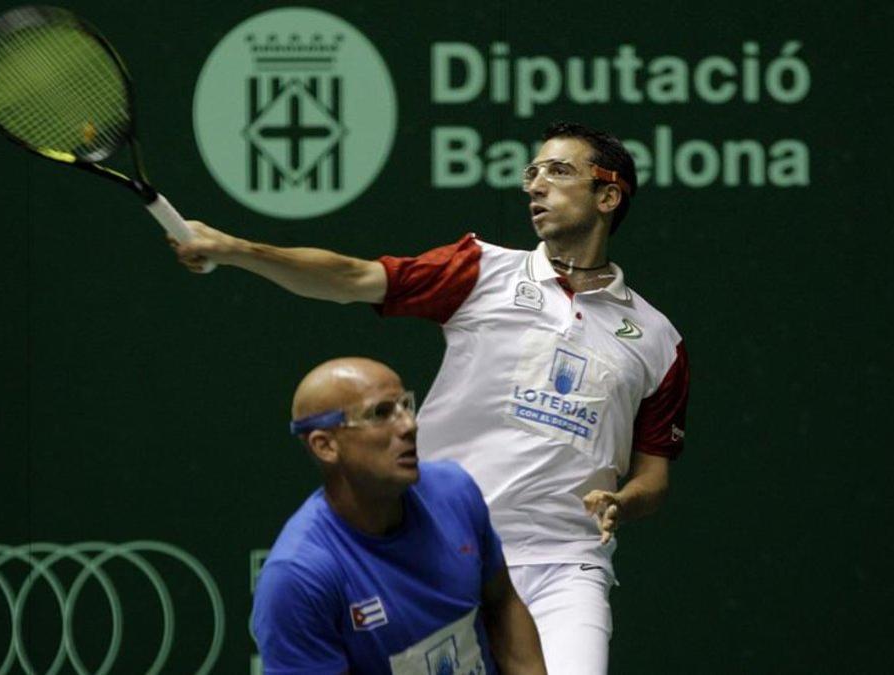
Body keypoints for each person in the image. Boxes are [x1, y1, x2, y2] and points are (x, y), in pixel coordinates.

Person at [178, 122, 690, 674]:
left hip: (567, 562)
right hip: (447, 545)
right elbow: (351, 277)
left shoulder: (659, 340)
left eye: (559, 171)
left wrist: (623, 501)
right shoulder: (480, 271)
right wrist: (235, 250)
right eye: (532, 173)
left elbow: (653, 475)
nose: (536, 186)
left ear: (609, 195)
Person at [252, 357, 546, 674]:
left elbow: (502, 603)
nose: (409, 425)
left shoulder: (455, 491)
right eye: (381, 413)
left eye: (406, 405)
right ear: (325, 446)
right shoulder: (298, 577)